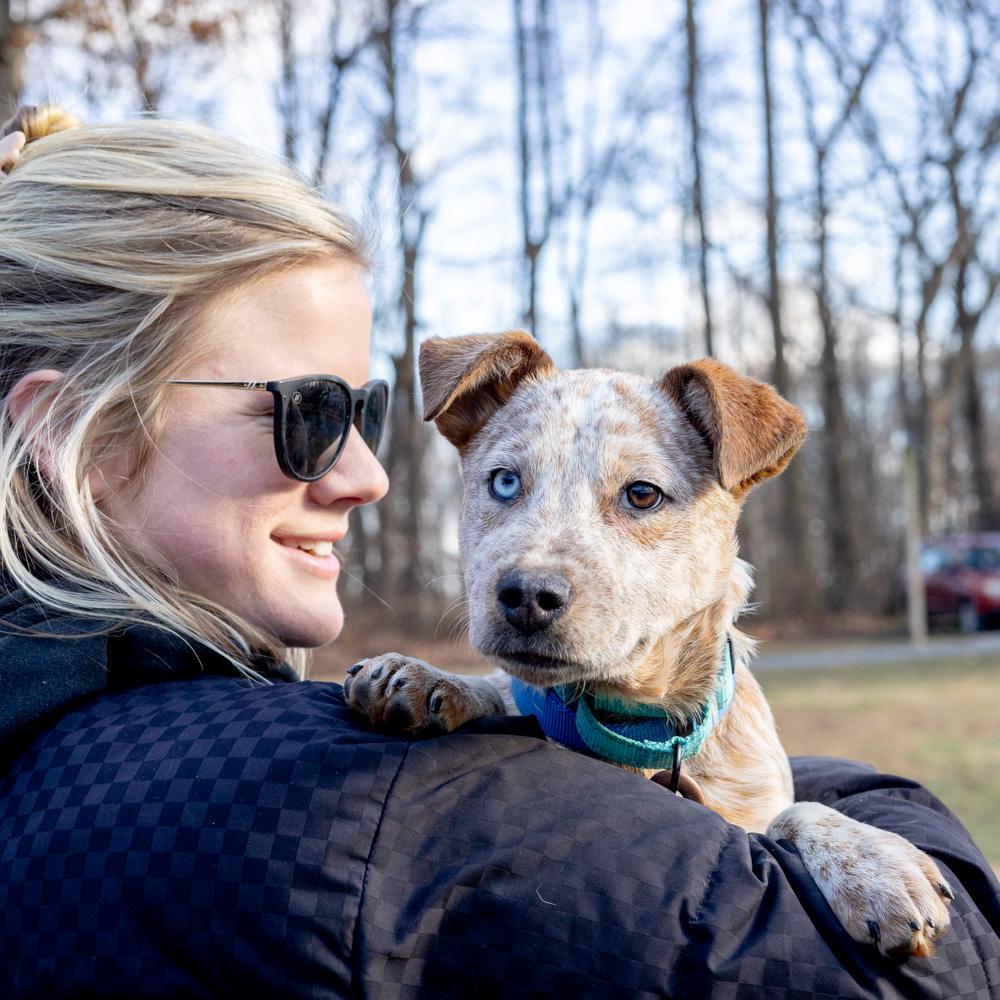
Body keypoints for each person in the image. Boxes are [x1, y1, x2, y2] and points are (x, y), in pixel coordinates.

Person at [0, 106, 997, 1000]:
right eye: (304, 413)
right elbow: (951, 972)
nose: (369, 475)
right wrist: (872, 808)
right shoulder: (359, 802)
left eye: (367, 412)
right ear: (73, 435)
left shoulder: (51, 731)